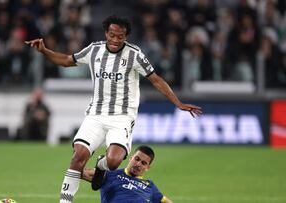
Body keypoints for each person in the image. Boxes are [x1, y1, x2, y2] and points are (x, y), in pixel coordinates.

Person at [25, 15, 202, 203]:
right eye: (112, 35)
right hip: (96, 115)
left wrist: (178, 103)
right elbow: (67, 60)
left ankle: (101, 166)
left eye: (120, 36)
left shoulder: (135, 55)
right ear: (106, 33)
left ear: (126, 37)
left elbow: (156, 79)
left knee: (114, 161)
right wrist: (44, 50)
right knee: (79, 156)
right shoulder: (94, 50)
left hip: (122, 117)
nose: (116, 40)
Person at [82, 145, 173, 203]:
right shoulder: (110, 174)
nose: (138, 164)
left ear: (147, 168)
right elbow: (81, 172)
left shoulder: (150, 186)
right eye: (136, 159)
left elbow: (165, 201)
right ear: (130, 158)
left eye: (143, 163)